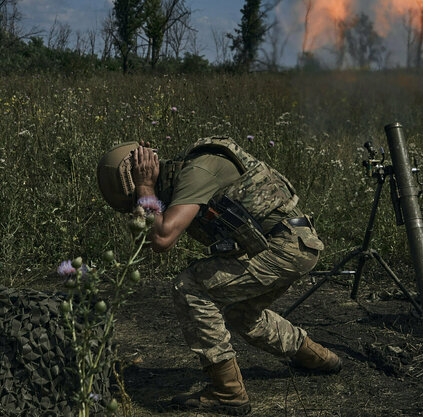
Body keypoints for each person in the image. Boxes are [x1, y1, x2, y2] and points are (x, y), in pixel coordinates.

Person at [96, 136, 342, 415]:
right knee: (242, 315)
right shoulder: (185, 179)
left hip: (285, 246)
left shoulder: (195, 172)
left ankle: (228, 391)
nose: (139, 207)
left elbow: (162, 238)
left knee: (190, 285)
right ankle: (318, 358)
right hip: (286, 246)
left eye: (136, 203)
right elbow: (152, 237)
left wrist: (144, 187)